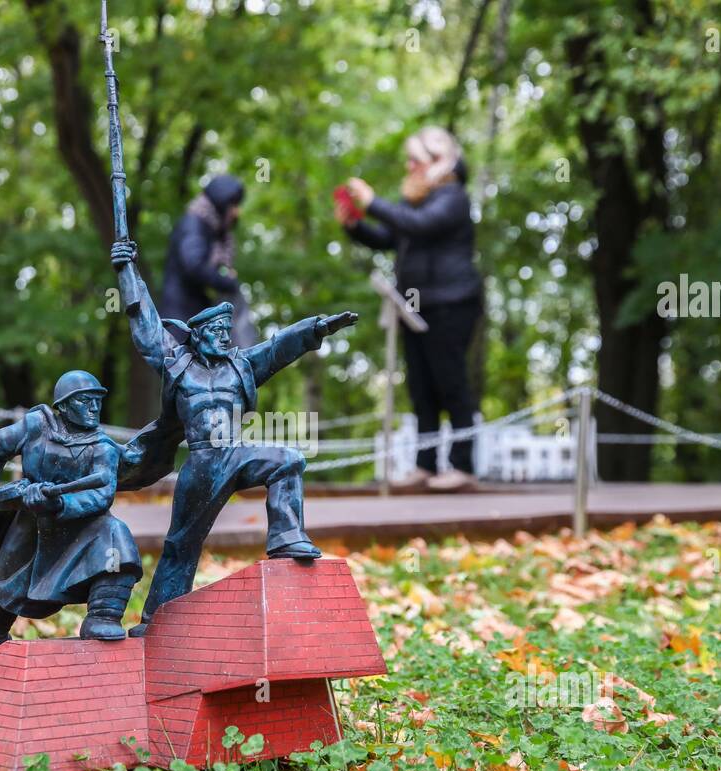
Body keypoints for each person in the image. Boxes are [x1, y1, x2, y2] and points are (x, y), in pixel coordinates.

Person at [111, 237, 358, 635]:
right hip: (202, 463)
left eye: (228, 329)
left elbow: (279, 347)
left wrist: (318, 328)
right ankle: (157, 622)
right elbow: (146, 324)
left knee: (289, 459)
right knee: (181, 543)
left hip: (236, 453)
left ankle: (286, 537)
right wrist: (127, 270)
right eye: (218, 330)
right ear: (199, 333)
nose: (226, 335)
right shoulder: (178, 366)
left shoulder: (240, 366)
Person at [0, 370, 142, 660]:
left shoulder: (104, 448)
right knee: (6, 573)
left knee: (116, 541)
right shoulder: (36, 426)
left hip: (84, 526)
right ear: (63, 405)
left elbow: (101, 494)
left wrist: (60, 505)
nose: (94, 407)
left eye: (97, 401)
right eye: (84, 401)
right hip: (31, 521)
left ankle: (103, 616)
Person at [338, 126, 484, 492]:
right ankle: (425, 465)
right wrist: (355, 224)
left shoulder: (452, 197)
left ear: (437, 162)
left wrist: (372, 203)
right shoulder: (414, 200)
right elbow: (390, 237)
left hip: (451, 304)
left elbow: (419, 226)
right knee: (421, 389)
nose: (409, 166)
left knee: (452, 385)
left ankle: (462, 467)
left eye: (415, 160)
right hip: (414, 306)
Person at [161, 174, 255, 345]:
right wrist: (227, 281)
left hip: (192, 317)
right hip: (181, 319)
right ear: (222, 201)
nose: (236, 212)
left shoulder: (211, 229)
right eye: (233, 205)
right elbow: (194, 265)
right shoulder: (194, 224)